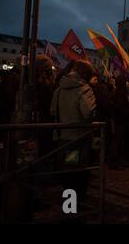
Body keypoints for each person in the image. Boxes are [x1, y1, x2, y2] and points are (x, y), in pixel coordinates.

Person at [50, 60, 97, 210]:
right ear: (85, 75)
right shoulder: (84, 89)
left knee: (67, 176)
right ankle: (73, 210)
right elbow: (89, 113)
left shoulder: (58, 89)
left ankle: (68, 207)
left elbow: (52, 111)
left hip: (62, 139)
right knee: (76, 177)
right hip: (77, 141)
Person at [109, 74, 129, 169]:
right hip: (120, 120)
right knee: (117, 141)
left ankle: (118, 160)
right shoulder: (120, 93)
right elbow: (120, 107)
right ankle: (114, 162)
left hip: (118, 119)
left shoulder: (115, 92)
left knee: (118, 140)